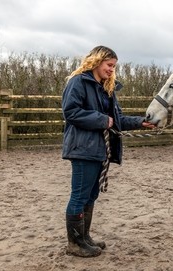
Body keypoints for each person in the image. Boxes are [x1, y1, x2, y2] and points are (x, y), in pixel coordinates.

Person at [61, 45, 155, 257]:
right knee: (79, 195)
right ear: (96, 61)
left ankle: (84, 238)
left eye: (114, 66)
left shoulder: (106, 88)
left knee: (91, 195)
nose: (112, 69)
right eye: (109, 65)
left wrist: (141, 122)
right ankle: (74, 243)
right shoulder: (78, 82)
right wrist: (103, 120)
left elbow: (117, 120)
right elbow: (71, 113)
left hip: (99, 149)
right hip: (83, 148)